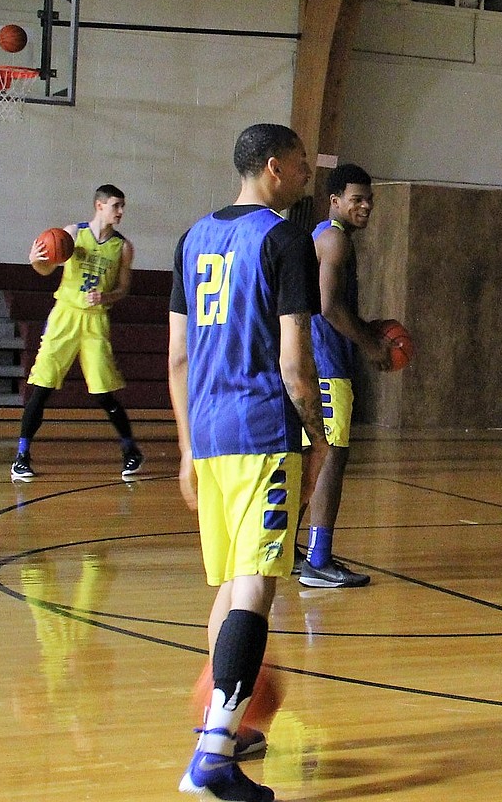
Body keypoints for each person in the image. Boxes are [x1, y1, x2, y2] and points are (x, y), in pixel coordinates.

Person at [170, 123, 327, 802]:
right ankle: (211, 761)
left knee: (229, 584)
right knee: (258, 586)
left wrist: (184, 448)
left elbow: (177, 356)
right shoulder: (286, 238)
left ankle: (220, 723)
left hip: (206, 431)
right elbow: (294, 361)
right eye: (298, 166)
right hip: (262, 427)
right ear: (273, 169)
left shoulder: (191, 237)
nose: (304, 178)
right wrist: (317, 432)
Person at [295, 163, 394, 589]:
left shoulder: (322, 236)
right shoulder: (334, 239)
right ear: (334, 201)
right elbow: (329, 306)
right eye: (357, 199)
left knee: (309, 458)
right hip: (327, 367)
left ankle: (285, 549)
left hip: (310, 362)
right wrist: (371, 344)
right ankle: (318, 559)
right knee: (331, 457)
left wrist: (368, 327)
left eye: (369, 199)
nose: (365, 206)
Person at [11, 185, 144, 482]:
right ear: (99, 206)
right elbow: (46, 270)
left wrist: (106, 298)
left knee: (102, 391)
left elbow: (122, 289)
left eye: (123, 206)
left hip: (96, 321)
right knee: (42, 385)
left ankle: (131, 450)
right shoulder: (72, 234)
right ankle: (21, 456)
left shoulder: (123, 247)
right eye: (116, 205)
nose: (121, 211)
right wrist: (36, 259)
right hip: (65, 316)